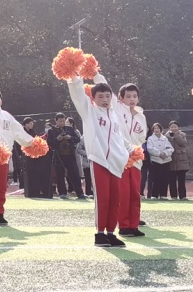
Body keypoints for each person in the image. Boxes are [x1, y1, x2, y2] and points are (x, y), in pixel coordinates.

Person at [66, 73, 132, 247]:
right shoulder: (90, 112)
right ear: (93, 98)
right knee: (102, 198)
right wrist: (74, 77)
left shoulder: (114, 116)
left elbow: (120, 138)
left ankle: (111, 233)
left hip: (117, 164)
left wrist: (130, 150)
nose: (105, 99)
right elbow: (78, 95)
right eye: (100, 96)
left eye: (108, 96)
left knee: (115, 199)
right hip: (100, 160)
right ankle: (99, 233)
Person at [0, 89, 35, 227]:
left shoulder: (7, 116)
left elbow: (19, 132)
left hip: (3, 155)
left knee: (2, 186)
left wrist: (32, 143)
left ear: (1, 101)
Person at [112, 80, 147, 237]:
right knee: (124, 193)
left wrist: (135, 149)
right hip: (122, 157)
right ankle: (124, 226)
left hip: (136, 159)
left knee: (135, 193)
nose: (132, 99)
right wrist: (95, 74)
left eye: (134, 96)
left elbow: (142, 137)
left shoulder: (141, 116)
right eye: (128, 96)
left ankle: (134, 225)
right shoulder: (118, 110)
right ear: (121, 98)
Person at [48, 113, 85, 200]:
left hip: (70, 155)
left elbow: (77, 139)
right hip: (59, 156)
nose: (62, 122)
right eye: (60, 121)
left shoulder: (70, 129)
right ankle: (62, 193)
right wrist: (57, 139)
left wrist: (70, 137)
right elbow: (49, 142)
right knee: (60, 176)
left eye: (63, 121)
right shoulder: (51, 131)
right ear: (56, 121)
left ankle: (80, 193)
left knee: (75, 174)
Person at [20, 117, 54, 199]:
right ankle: (30, 190)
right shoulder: (22, 132)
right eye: (31, 123)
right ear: (26, 124)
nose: (32, 125)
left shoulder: (32, 132)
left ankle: (37, 190)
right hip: (26, 155)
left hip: (34, 156)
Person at [145, 123, 173, 198]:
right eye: (155, 128)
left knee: (165, 178)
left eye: (158, 128)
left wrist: (165, 153)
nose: (156, 130)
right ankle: (154, 195)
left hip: (166, 161)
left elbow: (170, 148)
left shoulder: (165, 138)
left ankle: (163, 194)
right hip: (155, 161)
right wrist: (159, 154)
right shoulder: (150, 138)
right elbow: (150, 148)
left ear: (161, 129)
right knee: (155, 178)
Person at [167, 121, 190, 200]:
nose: (174, 128)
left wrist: (176, 135)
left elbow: (182, 143)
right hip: (171, 161)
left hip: (181, 161)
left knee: (181, 180)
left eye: (175, 127)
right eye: (172, 127)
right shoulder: (166, 136)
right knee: (172, 180)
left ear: (178, 128)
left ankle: (183, 196)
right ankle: (173, 196)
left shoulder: (182, 135)